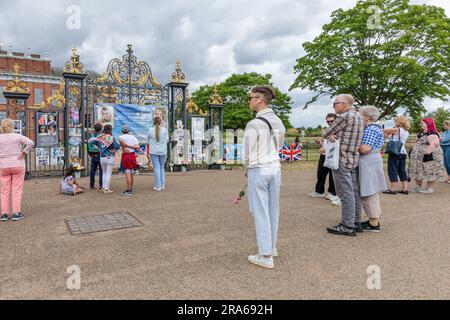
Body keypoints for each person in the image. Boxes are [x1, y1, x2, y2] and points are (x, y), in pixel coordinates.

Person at [244, 86, 286, 269]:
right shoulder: (279, 121)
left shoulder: (254, 124)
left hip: (259, 168)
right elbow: (280, 146)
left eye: (251, 97)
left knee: (260, 211)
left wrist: (246, 169)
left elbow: (247, 151)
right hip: (275, 167)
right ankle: (271, 246)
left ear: (260, 99)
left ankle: (265, 255)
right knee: (272, 210)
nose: (249, 100)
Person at [323, 94, 364, 237]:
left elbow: (326, 132)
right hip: (353, 158)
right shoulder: (359, 116)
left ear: (345, 104)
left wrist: (330, 135)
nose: (333, 107)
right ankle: (356, 221)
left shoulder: (344, 117)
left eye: (335, 103)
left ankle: (347, 225)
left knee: (345, 193)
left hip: (341, 159)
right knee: (354, 192)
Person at [358, 106, 387, 233]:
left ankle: (374, 222)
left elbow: (365, 149)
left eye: (360, 115)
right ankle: (372, 220)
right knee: (369, 190)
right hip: (370, 161)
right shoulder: (373, 128)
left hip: (368, 161)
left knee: (369, 191)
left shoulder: (370, 129)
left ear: (368, 116)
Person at [0, 118, 35, 222]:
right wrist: (23, 152)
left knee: (4, 191)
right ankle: (16, 213)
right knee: (17, 190)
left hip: (3, 166)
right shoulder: (17, 136)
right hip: (18, 164)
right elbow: (31, 143)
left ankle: (4, 214)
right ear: (12, 126)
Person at [309, 113, 340, 206]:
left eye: (331, 121)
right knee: (321, 173)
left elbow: (336, 144)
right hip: (324, 155)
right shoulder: (327, 130)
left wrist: (324, 148)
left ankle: (332, 193)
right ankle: (319, 191)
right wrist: (321, 143)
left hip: (333, 156)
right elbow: (326, 142)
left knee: (332, 175)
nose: (329, 123)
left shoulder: (340, 131)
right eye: (328, 121)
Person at [409, 118, 445, 193]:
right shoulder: (422, 132)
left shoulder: (432, 133)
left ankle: (429, 188)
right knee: (418, 170)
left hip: (429, 156)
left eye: (422, 123)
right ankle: (418, 187)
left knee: (430, 170)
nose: (420, 124)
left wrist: (426, 153)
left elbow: (434, 144)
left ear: (428, 124)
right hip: (418, 157)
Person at [88, 124, 120, 194]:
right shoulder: (111, 137)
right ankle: (106, 189)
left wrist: (98, 148)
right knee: (108, 174)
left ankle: (103, 187)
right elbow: (116, 146)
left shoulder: (100, 137)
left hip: (102, 157)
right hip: (109, 156)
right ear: (110, 130)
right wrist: (114, 149)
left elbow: (92, 142)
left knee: (104, 173)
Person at [383, 116, 411, 195]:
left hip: (395, 152)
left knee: (392, 169)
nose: (394, 122)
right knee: (401, 170)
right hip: (403, 152)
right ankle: (405, 189)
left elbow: (384, 130)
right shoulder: (405, 131)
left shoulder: (397, 129)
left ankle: (393, 189)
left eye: (396, 121)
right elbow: (386, 135)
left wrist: (380, 127)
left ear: (400, 123)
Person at [148, 117, 169, 191]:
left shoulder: (150, 130)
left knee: (156, 167)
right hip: (163, 151)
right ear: (161, 122)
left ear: (153, 122)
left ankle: (158, 186)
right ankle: (162, 185)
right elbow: (167, 140)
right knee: (161, 167)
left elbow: (148, 140)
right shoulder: (164, 130)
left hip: (153, 151)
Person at [119, 125, 140, 196]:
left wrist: (126, 146)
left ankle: (129, 190)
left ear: (122, 131)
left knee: (128, 172)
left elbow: (122, 143)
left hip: (125, 155)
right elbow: (137, 147)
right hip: (132, 155)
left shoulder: (121, 137)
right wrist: (129, 146)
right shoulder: (133, 137)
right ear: (129, 131)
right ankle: (130, 188)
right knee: (132, 172)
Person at [88, 123, 103, 191]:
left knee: (92, 171)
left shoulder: (91, 136)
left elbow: (88, 145)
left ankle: (92, 185)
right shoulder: (102, 136)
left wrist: (90, 154)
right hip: (100, 155)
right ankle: (101, 185)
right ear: (101, 129)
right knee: (101, 171)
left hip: (93, 155)